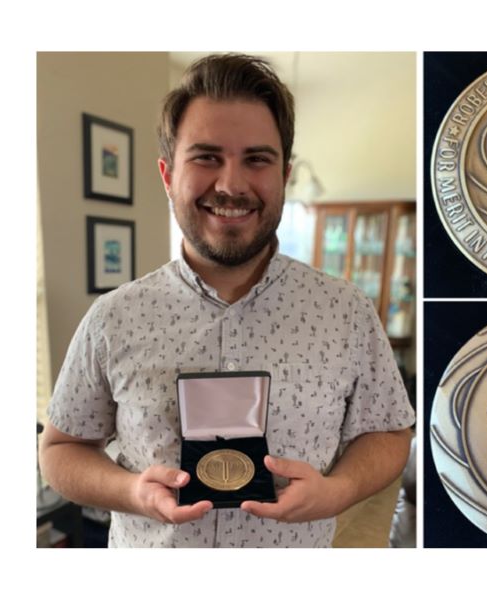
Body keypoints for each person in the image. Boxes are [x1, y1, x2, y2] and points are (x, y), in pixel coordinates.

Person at [39, 53, 415, 548]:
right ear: (167, 174)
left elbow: (389, 432)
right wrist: (131, 490)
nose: (232, 184)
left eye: (257, 159)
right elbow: (61, 448)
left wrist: (338, 490)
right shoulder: (112, 318)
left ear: (284, 175)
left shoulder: (347, 313)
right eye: (206, 157)